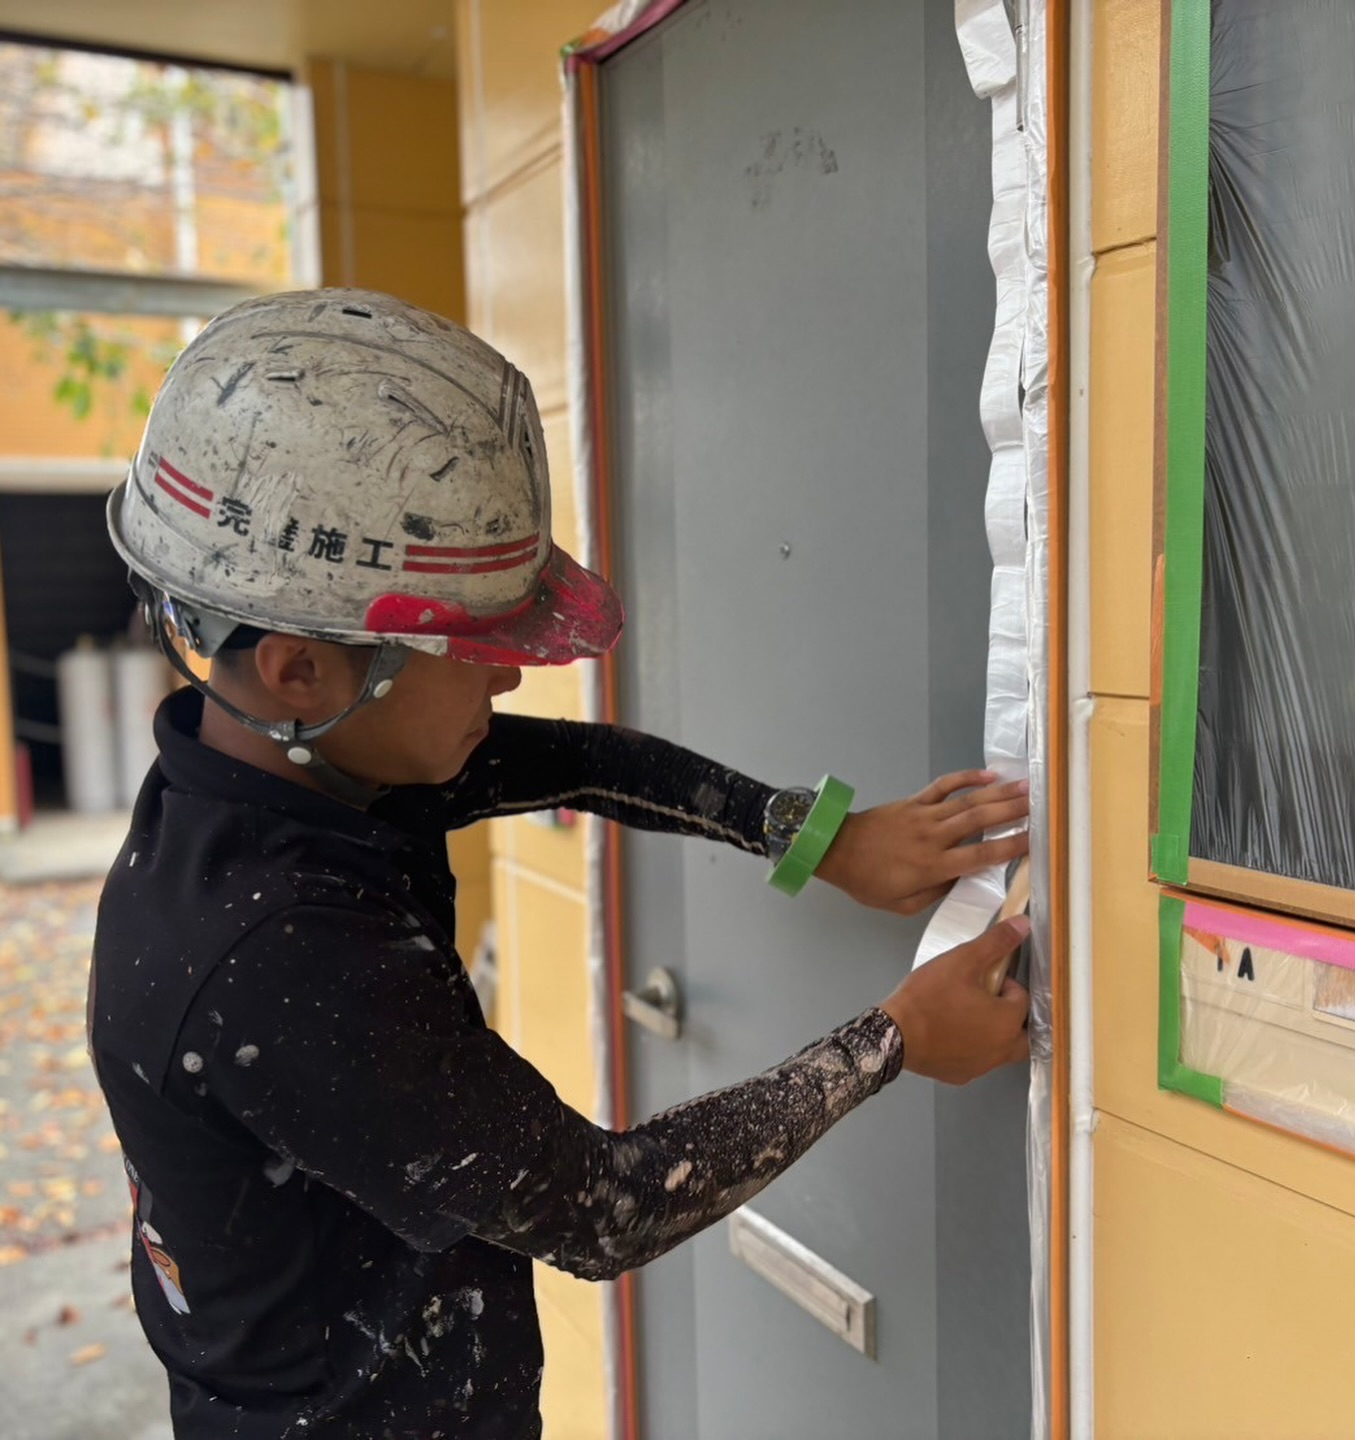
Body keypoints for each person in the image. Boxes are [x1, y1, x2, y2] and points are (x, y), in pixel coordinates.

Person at [89, 288, 1031, 1439]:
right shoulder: (270, 956)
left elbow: (579, 763)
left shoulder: (314, 763)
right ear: (300, 672)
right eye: (481, 651)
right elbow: (606, 1208)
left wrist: (813, 834)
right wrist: (894, 1039)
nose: (511, 679)